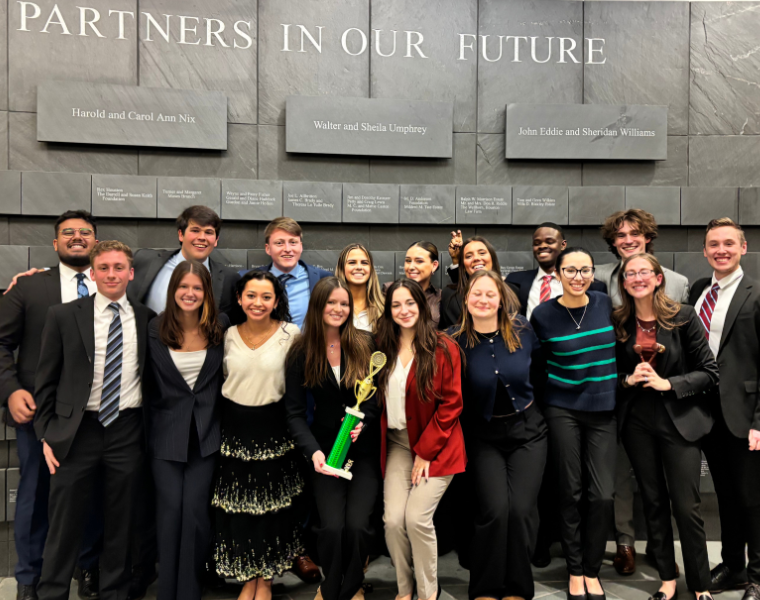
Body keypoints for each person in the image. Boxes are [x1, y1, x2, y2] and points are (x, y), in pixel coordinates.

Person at [34, 241, 155, 600]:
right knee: (64, 523)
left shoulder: (148, 319)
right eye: (104, 268)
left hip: (127, 430)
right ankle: (52, 592)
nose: (112, 274)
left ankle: (113, 592)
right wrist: (46, 434)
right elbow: (46, 382)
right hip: (77, 433)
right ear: (93, 272)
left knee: (121, 523)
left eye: (119, 267)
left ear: (131, 273)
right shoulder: (63, 315)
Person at [0, 211, 103, 600]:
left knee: (93, 493)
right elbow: (1, 344)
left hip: (96, 413)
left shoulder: (112, 283)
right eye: (68, 233)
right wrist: (10, 389)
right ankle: (30, 576)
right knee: (36, 493)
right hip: (39, 412)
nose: (77, 238)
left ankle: (89, 566)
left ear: (96, 240)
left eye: (85, 233)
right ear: (55, 243)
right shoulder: (29, 288)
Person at [613, 252, 718, 600]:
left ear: (658, 278)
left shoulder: (683, 317)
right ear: (623, 282)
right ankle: (668, 581)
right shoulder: (619, 323)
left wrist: (669, 383)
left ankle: (701, 585)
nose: (637, 277)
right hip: (638, 423)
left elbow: (709, 372)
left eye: (645, 272)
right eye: (631, 273)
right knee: (653, 502)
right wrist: (629, 379)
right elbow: (608, 377)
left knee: (686, 506)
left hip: (680, 421)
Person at [597, 209, 690, 575]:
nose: (628, 239)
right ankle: (624, 542)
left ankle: (660, 542)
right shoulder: (598, 276)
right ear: (613, 242)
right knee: (619, 471)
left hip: (663, 394)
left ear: (647, 236)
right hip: (616, 388)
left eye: (634, 233)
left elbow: (685, 341)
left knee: (662, 476)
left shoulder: (678, 282)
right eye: (620, 235)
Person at [451, 270, 548, 600]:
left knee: (520, 510)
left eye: (490, 294)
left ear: (501, 299)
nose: (483, 300)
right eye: (476, 294)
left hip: (528, 432)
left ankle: (518, 589)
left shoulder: (523, 330)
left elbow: (540, 374)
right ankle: (486, 588)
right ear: (466, 299)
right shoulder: (453, 340)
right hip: (481, 436)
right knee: (494, 510)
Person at [530, 247, 617, 600]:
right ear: (558, 273)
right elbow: (538, 366)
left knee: (602, 495)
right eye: (570, 270)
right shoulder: (542, 314)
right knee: (570, 491)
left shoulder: (606, 303)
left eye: (585, 270)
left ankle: (593, 569)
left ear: (593, 273)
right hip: (562, 407)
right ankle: (576, 569)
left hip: (603, 409)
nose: (578, 277)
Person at [212, 270, 305, 600]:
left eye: (266, 296)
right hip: (234, 432)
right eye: (251, 295)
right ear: (239, 298)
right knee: (240, 511)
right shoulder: (227, 334)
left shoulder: (291, 334)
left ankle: (265, 579)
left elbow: (297, 389)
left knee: (271, 511)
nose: (258, 302)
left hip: (275, 432)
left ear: (277, 301)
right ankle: (247, 577)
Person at [284, 277, 379, 600]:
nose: (338, 309)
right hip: (324, 453)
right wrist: (312, 452)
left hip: (362, 452)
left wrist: (364, 423)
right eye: (331, 303)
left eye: (344, 304)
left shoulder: (366, 342)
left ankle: (352, 587)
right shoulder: (301, 350)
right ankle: (331, 583)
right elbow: (294, 413)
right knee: (331, 526)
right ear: (318, 306)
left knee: (357, 525)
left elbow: (376, 400)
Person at [376, 278, 466, 600]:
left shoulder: (444, 347)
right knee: (392, 522)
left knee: (416, 519)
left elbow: (452, 403)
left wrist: (426, 452)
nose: (403, 310)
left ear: (422, 304)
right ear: (388, 310)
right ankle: (404, 589)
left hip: (437, 444)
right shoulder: (380, 346)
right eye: (396, 304)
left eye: (410, 303)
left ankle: (429, 593)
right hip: (398, 443)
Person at [146, 260, 229, 600]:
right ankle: (167, 591)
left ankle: (190, 590)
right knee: (169, 512)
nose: (190, 293)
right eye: (184, 287)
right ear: (173, 290)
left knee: (195, 513)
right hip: (166, 436)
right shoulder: (154, 329)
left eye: (197, 288)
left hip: (207, 437)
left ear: (207, 292)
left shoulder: (221, 327)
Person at [688, 219, 760, 600]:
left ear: (743, 248)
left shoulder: (756, 294)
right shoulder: (701, 290)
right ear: (704, 250)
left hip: (745, 415)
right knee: (726, 496)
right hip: (707, 415)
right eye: (713, 244)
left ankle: (758, 576)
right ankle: (733, 566)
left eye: (729, 243)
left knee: (753, 500)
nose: (721, 250)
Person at [129, 205, 242, 320]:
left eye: (208, 232)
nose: (202, 237)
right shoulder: (144, 260)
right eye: (195, 230)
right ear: (181, 235)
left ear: (216, 240)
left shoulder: (230, 279)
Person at [247, 217, 333, 333]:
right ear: (268, 249)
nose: (287, 249)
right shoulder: (249, 280)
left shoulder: (323, 279)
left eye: (293, 242)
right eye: (279, 243)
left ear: (301, 247)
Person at [438, 236, 502, 330]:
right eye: (468, 256)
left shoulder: (511, 291)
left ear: (492, 257)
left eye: (482, 253)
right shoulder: (449, 296)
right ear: (463, 264)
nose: (476, 258)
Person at [383, 242, 442, 327]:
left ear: (434, 265)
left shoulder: (439, 296)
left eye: (419, 261)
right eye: (408, 261)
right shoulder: (389, 289)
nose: (411, 267)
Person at [335, 244, 385, 332]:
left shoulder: (384, 309)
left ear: (371, 269)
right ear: (342, 268)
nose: (358, 267)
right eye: (352, 262)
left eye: (364, 263)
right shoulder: (330, 307)